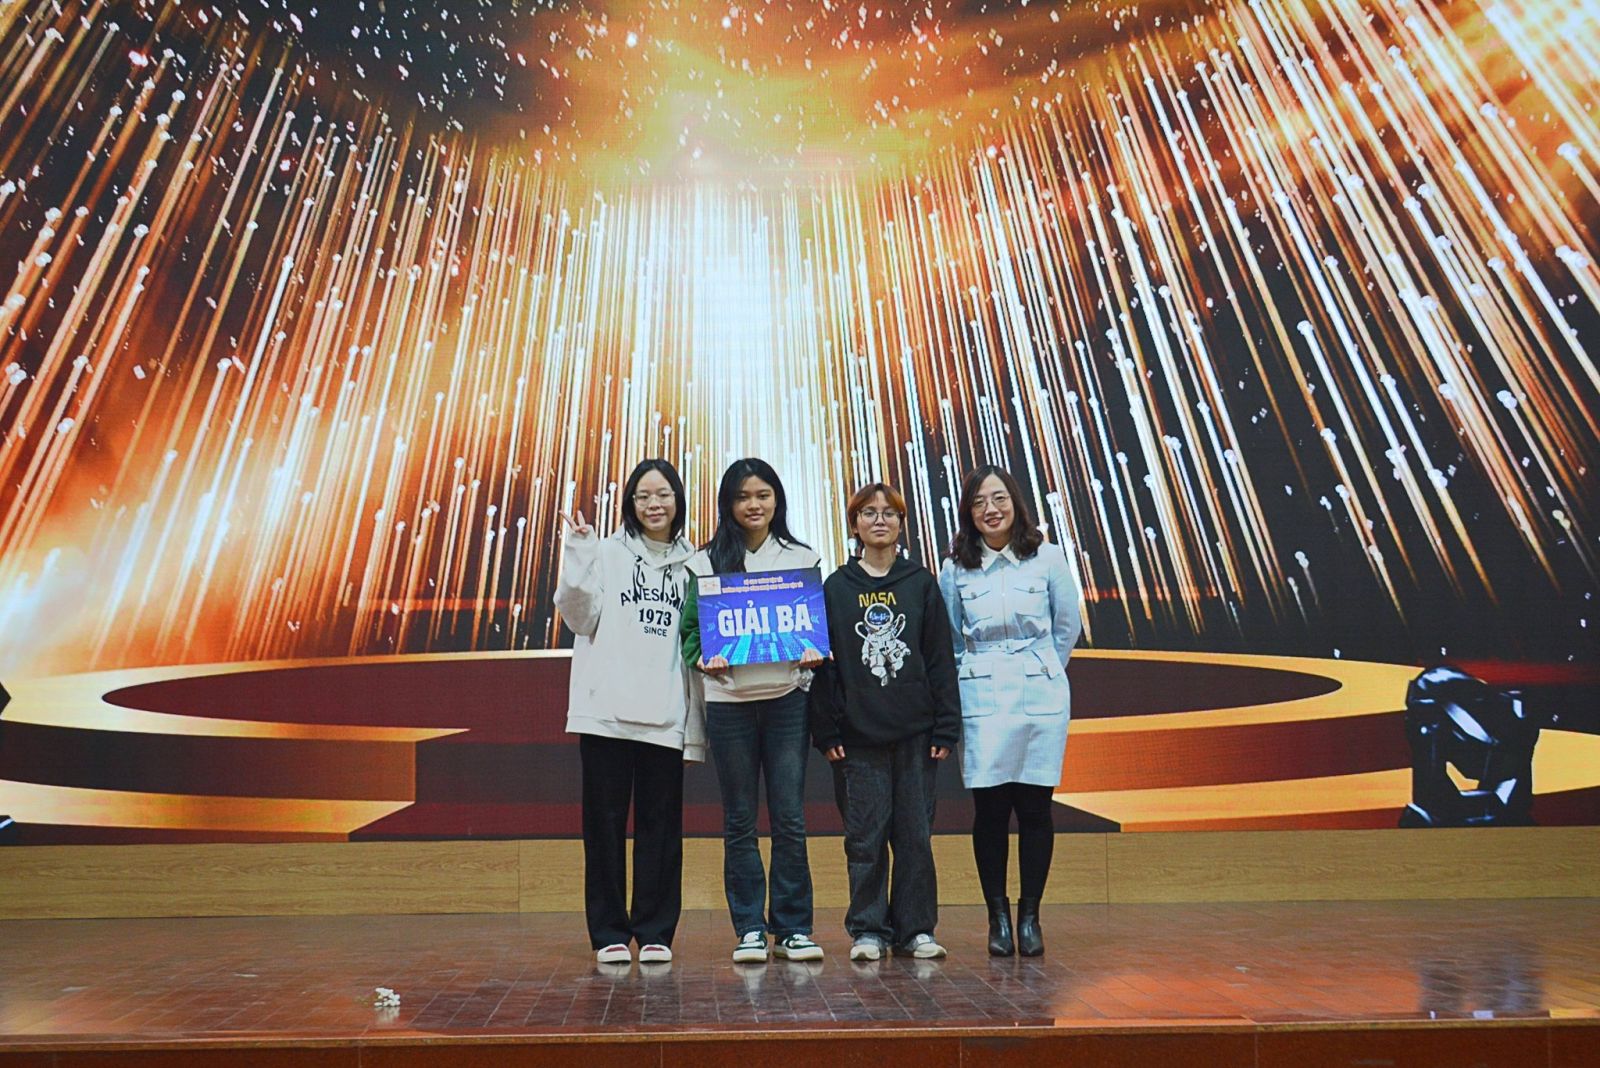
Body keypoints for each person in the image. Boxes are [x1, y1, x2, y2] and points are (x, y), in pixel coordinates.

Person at [555, 459, 702, 966]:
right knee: (604, 827)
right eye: (643, 496)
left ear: (678, 500)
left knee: (662, 829)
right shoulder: (605, 553)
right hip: (605, 715)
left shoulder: (695, 565)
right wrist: (579, 551)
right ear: (630, 504)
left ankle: (656, 931)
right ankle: (609, 933)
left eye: (662, 494)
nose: (653, 504)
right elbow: (579, 618)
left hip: (665, 715)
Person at [678, 458, 826, 963]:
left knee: (789, 818)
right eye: (743, 496)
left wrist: (812, 654)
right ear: (728, 504)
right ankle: (749, 929)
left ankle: (794, 928)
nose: (754, 504)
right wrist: (704, 657)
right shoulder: (704, 562)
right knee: (740, 820)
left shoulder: (802, 557)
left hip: (787, 702)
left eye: (763, 494)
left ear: (777, 499)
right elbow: (690, 634)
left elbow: (814, 626)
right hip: (729, 706)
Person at [809, 482, 960, 962]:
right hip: (857, 738)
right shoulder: (835, 588)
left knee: (915, 836)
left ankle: (916, 929)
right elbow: (823, 666)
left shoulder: (920, 583)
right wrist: (826, 730)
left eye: (889, 513)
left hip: (916, 734)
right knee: (865, 838)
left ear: (900, 523)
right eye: (869, 513)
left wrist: (946, 726)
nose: (879, 520)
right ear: (854, 525)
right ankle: (868, 929)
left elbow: (940, 657)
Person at [938, 465, 1082, 957]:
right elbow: (951, 638)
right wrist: (978, 671)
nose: (991, 509)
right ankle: (997, 917)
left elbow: (1066, 627)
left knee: (1036, 808)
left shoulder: (1047, 557)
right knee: (991, 811)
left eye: (999, 498)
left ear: (1015, 502)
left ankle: (1030, 916)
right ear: (968, 512)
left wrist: (1040, 668)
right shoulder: (956, 567)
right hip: (981, 694)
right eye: (979, 502)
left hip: (1040, 691)